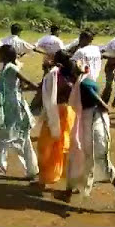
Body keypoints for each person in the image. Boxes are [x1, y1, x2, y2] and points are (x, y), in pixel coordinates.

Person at [57, 61, 115, 214]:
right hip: (93, 122)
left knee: (90, 159)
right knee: (81, 157)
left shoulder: (81, 85)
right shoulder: (87, 79)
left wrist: (100, 108)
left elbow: (100, 102)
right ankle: (69, 192)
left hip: (91, 124)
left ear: (72, 75)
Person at [0, 45, 40, 179]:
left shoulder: (11, 68)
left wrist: (39, 87)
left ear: (5, 55)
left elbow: (26, 81)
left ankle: (2, 167)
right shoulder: (7, 68)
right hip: (10, 103)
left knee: (3, 136)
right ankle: (31, 169)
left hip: (11, 106)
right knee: (19, 137)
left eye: (0, 53)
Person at [35, 50, 76, 189]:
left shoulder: (54, 75)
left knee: (45, 146)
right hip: (69, 112)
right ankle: (68, 180)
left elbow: (44, 90)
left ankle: (44, 179)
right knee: (62, 145)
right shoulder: (73, 75)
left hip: (56, 112)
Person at [30, 25, 65, 115]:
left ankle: (38, 104)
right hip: (55, 64)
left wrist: (45, 53)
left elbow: (34, 47)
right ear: (57, 31)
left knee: (45, 82)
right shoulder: (58, 40)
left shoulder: (44, 38)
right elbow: (63, 52)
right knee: (54, 84)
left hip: (46, 63)